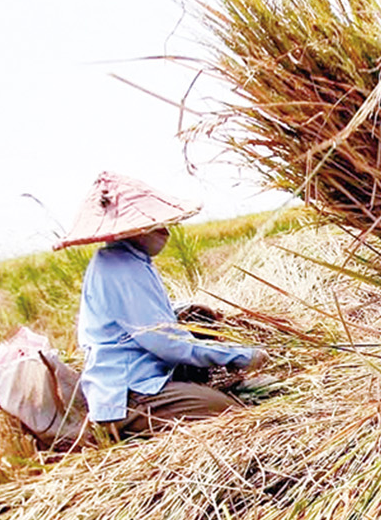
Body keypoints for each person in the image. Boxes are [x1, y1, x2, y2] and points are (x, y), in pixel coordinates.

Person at [55, 171, 268, 434]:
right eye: (156, 224)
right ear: (132, 229)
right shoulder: (122, 268)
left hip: (147, 379)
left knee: (202, 332)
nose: (165, 232)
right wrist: (241, 356)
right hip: (130, 395)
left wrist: (184, 311)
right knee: (230, 412)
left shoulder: (126, 260)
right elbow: (168, 343)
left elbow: (143, 315)